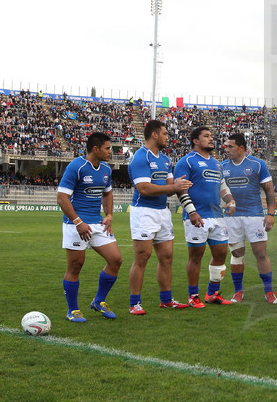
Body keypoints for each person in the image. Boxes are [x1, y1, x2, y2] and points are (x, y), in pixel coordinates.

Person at [127, 120, 193, 315]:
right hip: (143, 211)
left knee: (167, 257)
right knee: (142, 257)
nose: (167, 137)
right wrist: (173, 187)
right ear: (154, 135)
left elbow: (171, 188)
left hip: (162, 212)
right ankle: (134, 303)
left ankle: (166, 300)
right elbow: (144, 188)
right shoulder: (141, 157)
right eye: (164, 133)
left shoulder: (165, 159)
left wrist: (179, 185)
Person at [56, 132, 122, 322]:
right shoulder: (77, 166)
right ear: (96, 149)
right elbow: (62, 198)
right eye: (108, 148)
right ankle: (73, 310)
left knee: (116, 260)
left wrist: (109, 215)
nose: (111, 152)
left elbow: (107, 194)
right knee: (76, 266)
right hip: (75, 224)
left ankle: (98, 301)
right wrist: (78, 222)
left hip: (97, 223)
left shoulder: (106, 169)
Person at [173, 126, 236, 309]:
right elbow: (180, 189)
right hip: (197, 216)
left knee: (221, 254)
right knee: (196, 257)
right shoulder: (186, 162)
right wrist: (192, 211)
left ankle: (212, 293)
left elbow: (222, 186)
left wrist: (230, 200)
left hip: (217, 216)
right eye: (206, 136)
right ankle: (193, 296)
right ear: (195, 141)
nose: (211, 139)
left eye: (211, 136)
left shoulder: (217, 164)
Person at [222, 132, 277, 304]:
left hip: (254, 216)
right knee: (237, 253)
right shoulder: (222, 166)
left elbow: (269, 191)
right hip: (232, 217)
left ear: (241, 148)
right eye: (226, 146)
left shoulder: (257, 164)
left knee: (260, 253)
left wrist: (270, 214)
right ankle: (238, 291)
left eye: (230, 146)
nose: (226, 149)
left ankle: (269, 292)